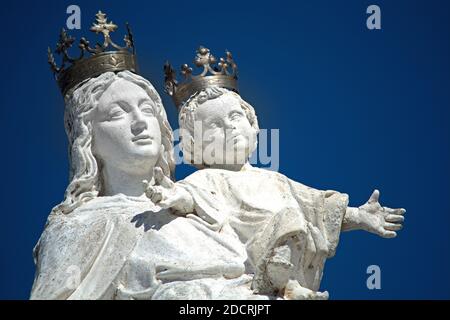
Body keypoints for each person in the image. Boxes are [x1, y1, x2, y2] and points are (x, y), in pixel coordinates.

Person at [145, 86, 406, 299]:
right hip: (250, 257)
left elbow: (317, 206)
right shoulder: (206, 177)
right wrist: (174, 195)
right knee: (290, 217)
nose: (229, 127)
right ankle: (284, 283)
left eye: (235, 117)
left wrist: (359, 216)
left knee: (294, 216)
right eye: (213, 125)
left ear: (252, 123)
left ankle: (289, 282)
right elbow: (192, 198)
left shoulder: (275, 179)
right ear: (194, 144)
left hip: (292, 248)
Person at [31, 72, 264, 300]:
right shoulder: (75, 227)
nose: (140, 122)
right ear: (87, 139)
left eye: (147, 110)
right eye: (116, 114)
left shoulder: (201, 210)